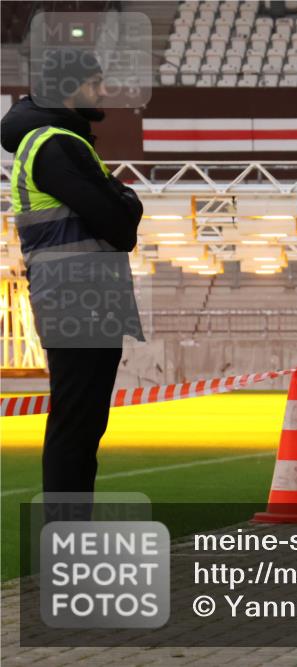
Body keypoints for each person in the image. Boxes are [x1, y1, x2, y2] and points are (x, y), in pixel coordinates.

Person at [1, 48, 144, 500]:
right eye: (94, 83)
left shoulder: (60, 142)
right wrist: (127, 201)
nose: (102, 92)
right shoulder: (55, 144)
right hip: (77, 297)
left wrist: (123, 202)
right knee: (76, 424)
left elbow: (118, 212)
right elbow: (120, 223)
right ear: (68, 88)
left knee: (82, 424)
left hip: (82, 296)